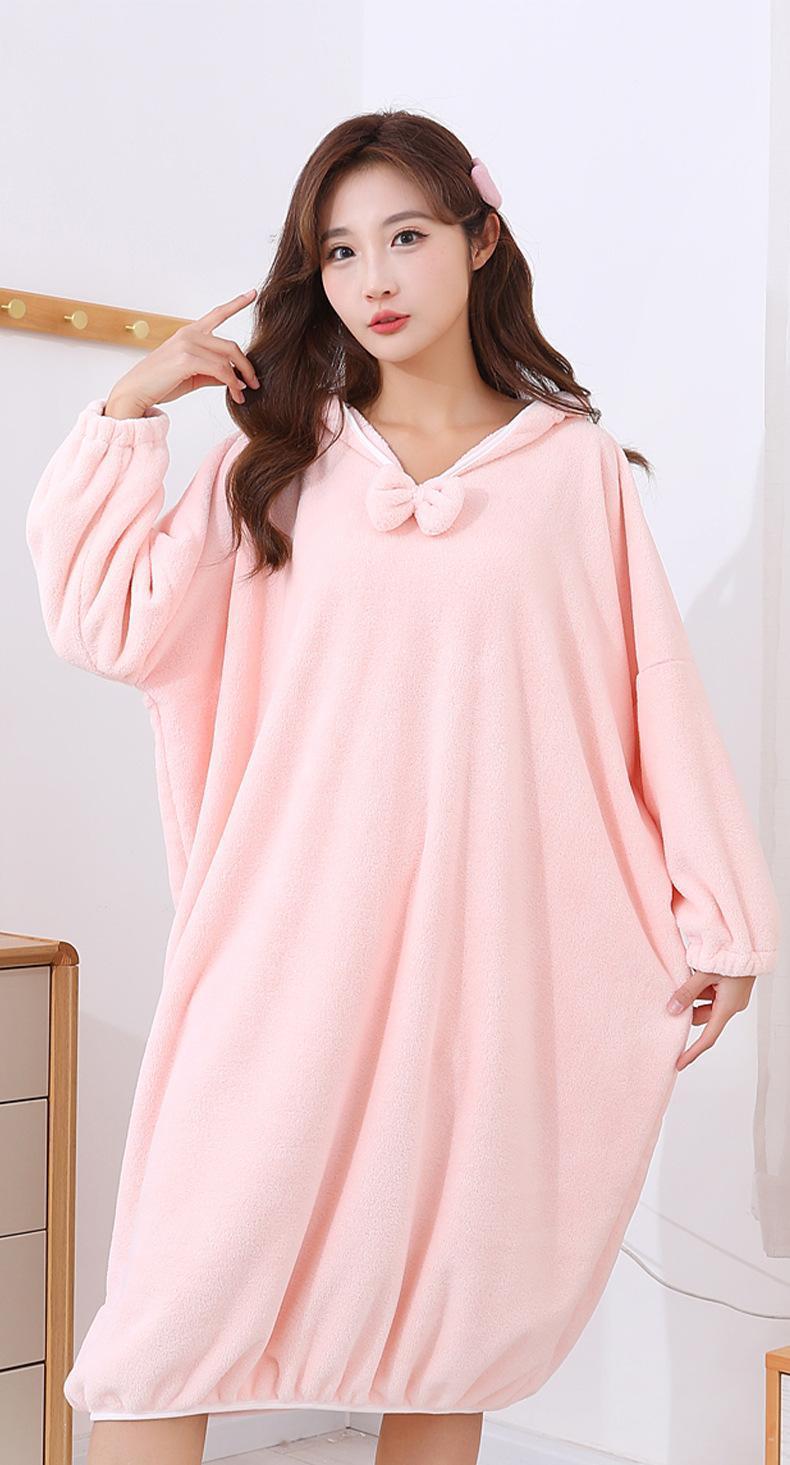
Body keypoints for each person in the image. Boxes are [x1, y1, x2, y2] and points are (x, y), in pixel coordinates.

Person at [25, 108, 780, 1465]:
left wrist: (717, 914)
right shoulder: (279, 458)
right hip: (285, 940)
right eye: (338, 250)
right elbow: (108, 624)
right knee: (166, 1317)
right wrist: (130, 407)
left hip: (494, 948)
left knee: (456, 1300)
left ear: (482, 242)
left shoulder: (571, 471)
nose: (371, 278)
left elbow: (650, 693)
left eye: (407, 237)